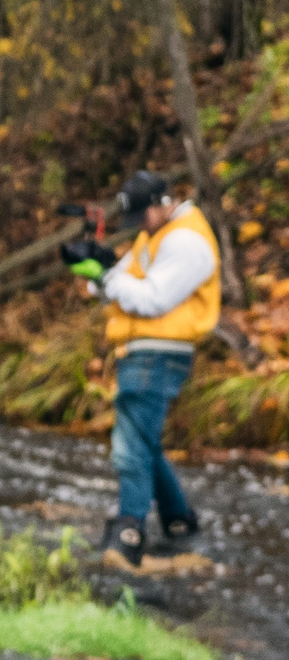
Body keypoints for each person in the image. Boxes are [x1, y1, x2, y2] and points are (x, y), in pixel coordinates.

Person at [63, 169, 217, 567]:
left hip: (158, 353)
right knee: (145, 442)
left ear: (163, 203)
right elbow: (115, 285)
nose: (139, 228)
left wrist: (107, 274)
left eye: (142, 218)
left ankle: (128, 533)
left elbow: (153, 299)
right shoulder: (156, 234)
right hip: (140, 350)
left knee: (129, 445)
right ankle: (178, 522)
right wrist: (97, 267)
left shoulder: (186, 241)